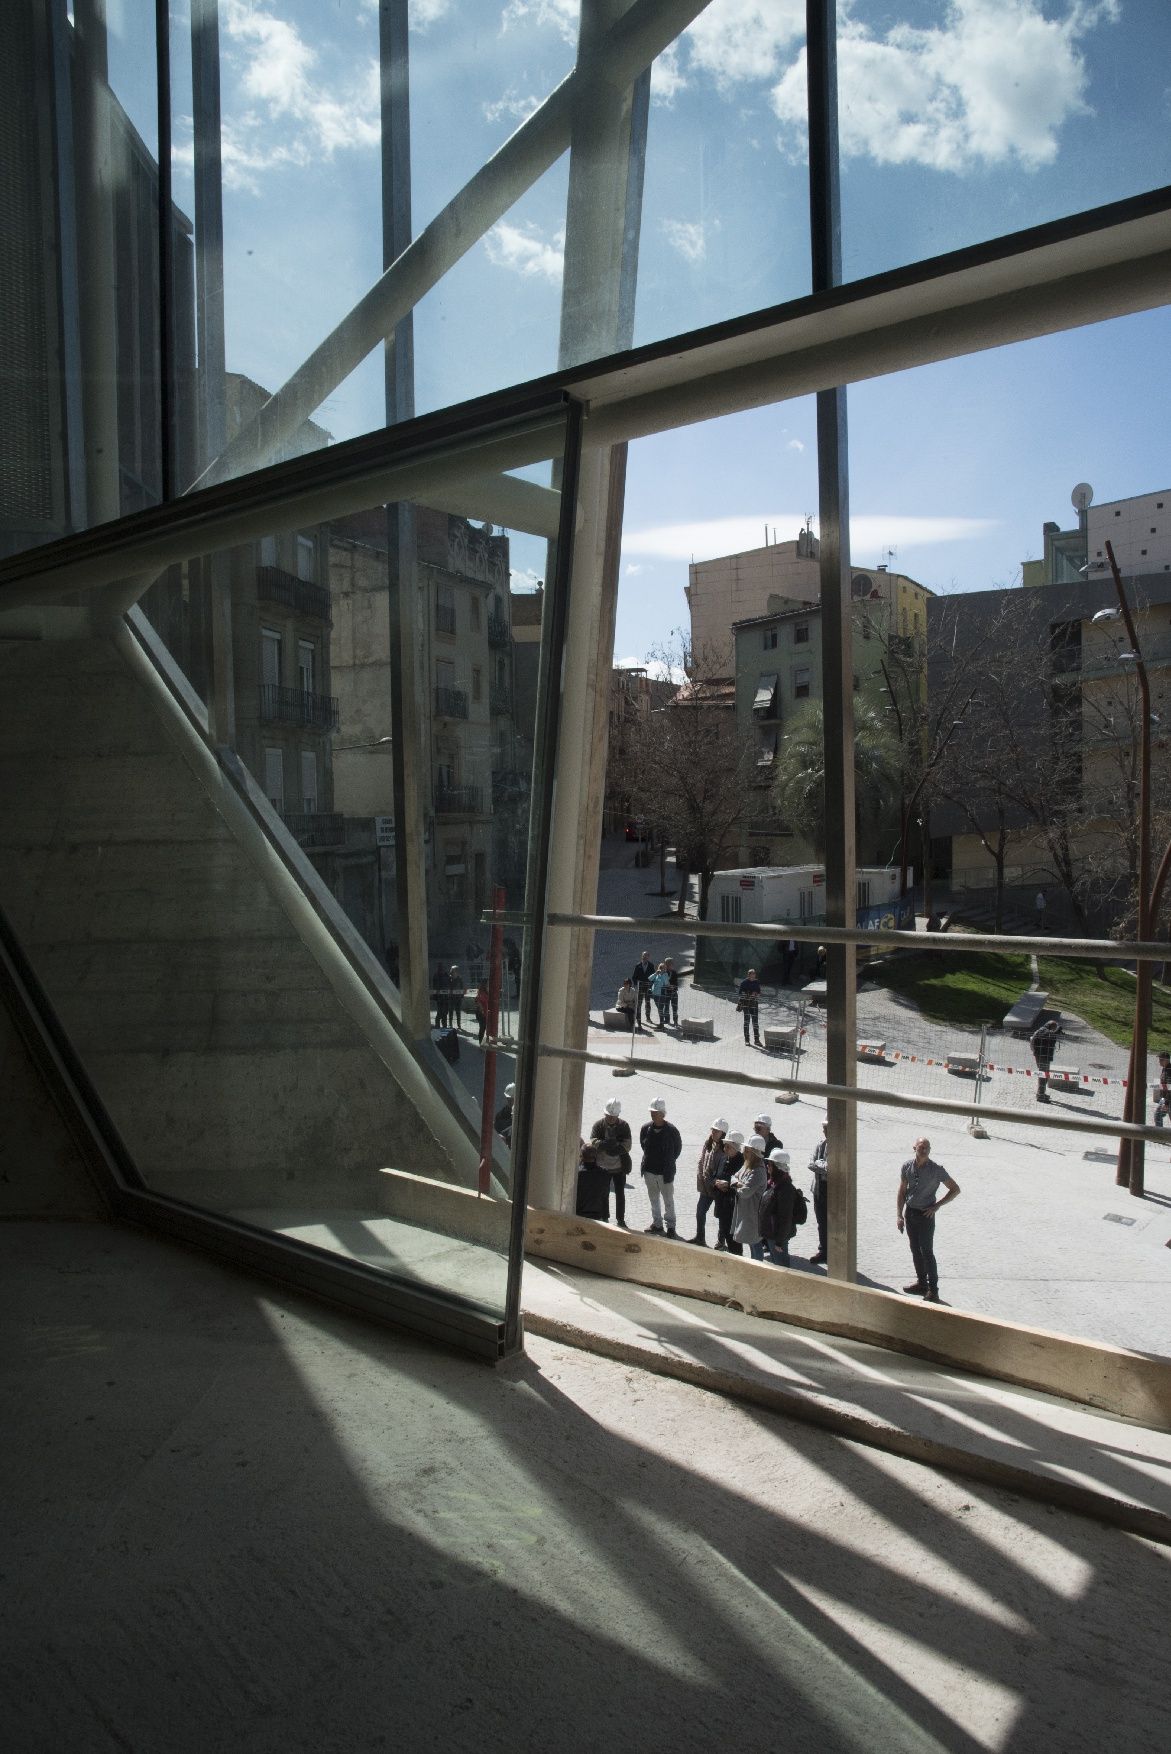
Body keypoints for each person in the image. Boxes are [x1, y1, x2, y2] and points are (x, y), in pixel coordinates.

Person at [896, 1136, 960, 1303]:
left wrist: (937, 1205)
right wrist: (899, 1215)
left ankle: (933, 1290)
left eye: (927, 1148)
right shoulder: (906, 1166)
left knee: (927, 1252)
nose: (924, 1150)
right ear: (914, 1148)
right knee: (915, 1250)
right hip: (910, 1213)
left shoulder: (936, 1170)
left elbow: (955, 1189)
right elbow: (902, 1191)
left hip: (926, 1216)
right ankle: (922, 1283)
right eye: (921, 1147)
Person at [640, 1097, 682, 1237]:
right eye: (652, 1111)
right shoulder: (645, 1128)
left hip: (665, 1173)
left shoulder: (672, 1130)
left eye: (656, 1112)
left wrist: (669, 1162)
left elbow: (677, 1149)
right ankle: (657, 1224)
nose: (653, 1114)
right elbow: (643, 1145)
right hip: (649, 1172)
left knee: (668, 1200)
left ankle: (671, 1227)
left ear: (662, 1113)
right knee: (653, 1199)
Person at [590, 1098, 633, 1228]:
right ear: (605, 1114)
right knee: (604, 1194)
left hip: (619, 1168)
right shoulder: (598, 1125)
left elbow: (628, 1144)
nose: (611, 1118)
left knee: (620, 1194)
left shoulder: (624, 1126)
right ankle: (604, 1217)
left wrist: (617, 1149)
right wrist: (603, 1145)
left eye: (613, 1116)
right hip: (602, 1167)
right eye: (609, 1116)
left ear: (618, 1115)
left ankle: (620, 1219)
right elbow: (593, 1140)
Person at [688, 1116, 730, 1246]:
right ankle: (700, 1237)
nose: (713, 1132)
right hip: (705, 1187)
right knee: (700, 1212)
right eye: (713, 1130)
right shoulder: (708, 1144)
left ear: (722, 1133)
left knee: (721, 1217)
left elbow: (722, 1172)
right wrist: (700, 1175)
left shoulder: (725, 1150)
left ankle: (720, 1242)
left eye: (716, 1131)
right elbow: (701, 1160)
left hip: (717, 1188)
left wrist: (712, 1182)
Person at [731, 1135, 768, 1260]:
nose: (744, 1153)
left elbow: (745, 1192)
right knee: (751, 1242)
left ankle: (758, 1266)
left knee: (755, 1242)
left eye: (747, 1151)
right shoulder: (748, 1165)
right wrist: (738, 1183)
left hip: (753, 1213)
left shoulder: (758, 1171)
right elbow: (734, 1176)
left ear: (755, 1153)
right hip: (745, 1211)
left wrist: (737, 1184)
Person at [760, 1148, 798, 1266]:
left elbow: (785, 1218)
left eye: (770, 1164)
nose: (767, 1167)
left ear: (776, 1167)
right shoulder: (774, 1183)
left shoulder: (785, 1189)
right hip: (772, 1234)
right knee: (777, 1266)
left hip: (777, 1237)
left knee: (782, 1268)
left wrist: (779, 1242)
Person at [711, 1131, 744, 1252]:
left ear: (735, 1147)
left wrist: (728, 1185)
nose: (725, 1149)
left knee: (734, 1239)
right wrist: (716, 1183)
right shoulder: (723, 1157)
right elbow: (713, 1175)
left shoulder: (742, 1162)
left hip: (734, 1208)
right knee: (724, 1230)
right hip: (721, 1204)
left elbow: (743, 1185)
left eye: (728, 1146)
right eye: (725, 1146)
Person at [807, 1118, 828, 1265]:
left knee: (833, 1221)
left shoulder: (840, 1146)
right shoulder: (820, 1144)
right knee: (821, 1221)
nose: (824, 1130)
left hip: (832, 1189)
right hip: (818, 1188)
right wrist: (822, 1165)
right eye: (824, 1127)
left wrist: (820, 1165)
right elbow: (811, 1163)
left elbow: (831, 1168)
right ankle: (823, 1250)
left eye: (826, 1127)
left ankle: (834, 1250)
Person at [575, 1143, 613, 1220]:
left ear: (581, 1156)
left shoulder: (577, 1173)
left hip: (580, 1213)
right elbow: (605, 1195)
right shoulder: (604, 1173)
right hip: (598, 1214)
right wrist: (605, 1216)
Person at [1030, 1016, 1061, 1102]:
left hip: (1039, 1055)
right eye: (1054, 1028)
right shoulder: (1046, 1032)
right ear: (1051, 1026)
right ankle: (1040, 1095)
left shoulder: (1040, 1030)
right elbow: (1050, 1037)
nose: (1055, 1029)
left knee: (1044, 1075)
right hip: (1044, 1057)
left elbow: (1032, 1042)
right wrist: (1056, 1033)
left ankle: (1041, 1093)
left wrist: (1035, 1053)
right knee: (1043, 1076)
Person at [737, 967, 762, 1046]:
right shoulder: (744, 982)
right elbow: (740, 993)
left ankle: (757, 1040)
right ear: (748, 975)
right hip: (746, 1004)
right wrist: (747, 994)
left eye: (754, 974)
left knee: (755, 1022)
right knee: (746, 1022)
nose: (753, 976)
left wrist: (755, 994)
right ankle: (747, 1040)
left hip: (754, 1004)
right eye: (752, 974)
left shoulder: (757, 982)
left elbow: (759, 992)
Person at [631, 950, 656, 1026]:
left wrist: (651, 985)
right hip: (640, 987)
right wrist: (636, 985)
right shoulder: (638, 965)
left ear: (648, 957)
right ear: (641, 957)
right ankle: (638, 1018)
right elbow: (634, 977)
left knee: (648, 1003)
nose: (645, 957)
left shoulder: (651, 966)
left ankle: (648, 1018)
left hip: (648, 987)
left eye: (646, 956)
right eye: (643, 956)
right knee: (639, 1003)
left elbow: (654, 977)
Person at [650, 961, 672, 1028]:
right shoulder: (657, 974)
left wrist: (663, 974)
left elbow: (667, 984)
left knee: (660, 1009)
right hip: (655, 994)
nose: (661, 969)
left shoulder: (665, 975)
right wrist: (655, 974)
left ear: (665, 969)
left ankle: (661, 1024)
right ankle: (661, 1023)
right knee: (659, 1009)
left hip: (661, 994)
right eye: (660, 967)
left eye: (663, 968)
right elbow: (650, 979)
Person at [1154, 1049, 1171, 1128]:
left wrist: (1167, 1103)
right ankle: (1160, 1137)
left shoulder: (1169, 1071)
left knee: (1158, 1115)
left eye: (1161, 1059)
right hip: (1164, 1099)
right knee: (1158, 1115)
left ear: (1166, 1060)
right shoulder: (1165, 1068)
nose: (1159, 1061)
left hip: (1168, 1100)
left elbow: (1169, 1088)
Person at [494, 1082, 515, 1146]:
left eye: (511, 1099)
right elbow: (495, 1132)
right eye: (508, 1099)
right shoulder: (501, 1115)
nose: (509, 1101)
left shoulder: (522, 1115)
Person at [663, 957, 680, 1027]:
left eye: (672, 963)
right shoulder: (663, 972)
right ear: (666, 964)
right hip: (666, 993)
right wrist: (667, 987)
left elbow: (676, 983)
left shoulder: (674, 972)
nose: (671, 965)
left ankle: (675, 1021)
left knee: (675, 1007)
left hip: (673, 993)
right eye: (670, 963)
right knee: (666, 1007)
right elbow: (663, 983)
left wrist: (674, 987)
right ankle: (667, 1020)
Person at [447, 965, 463, 1032]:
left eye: (455, 970)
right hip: (451, 997)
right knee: (450, 1011)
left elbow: (461, 987)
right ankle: (450, 1024)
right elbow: (448, 987)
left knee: (458, 1011)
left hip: (458, 998)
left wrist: (461, 995)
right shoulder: (449, 979)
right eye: (453, 970)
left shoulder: (459, 979)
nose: (454, 972)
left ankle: (459, 1025)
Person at [433, 963, 449, 1030]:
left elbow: (448, 984)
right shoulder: (436, 976)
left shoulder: (446, 975)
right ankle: (437, 1026)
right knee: (440, 1012)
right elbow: (435, 986)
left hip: (445, 997)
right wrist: (436, 996)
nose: (443, 970)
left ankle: (444, 1026)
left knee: (445, 1012)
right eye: (441, 968)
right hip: (440, 997)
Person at [473, 980, 489, 1045]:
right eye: (487, 984)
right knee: (482, 1028)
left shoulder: (485, 992)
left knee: (483, 1028)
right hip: (481, 1013)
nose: (488, 986)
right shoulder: (482, 992)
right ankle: (481, 1044)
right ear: (485, 985)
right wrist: (481, 1009)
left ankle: (483, 1043)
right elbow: (477, 1001)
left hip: (484, 1013)